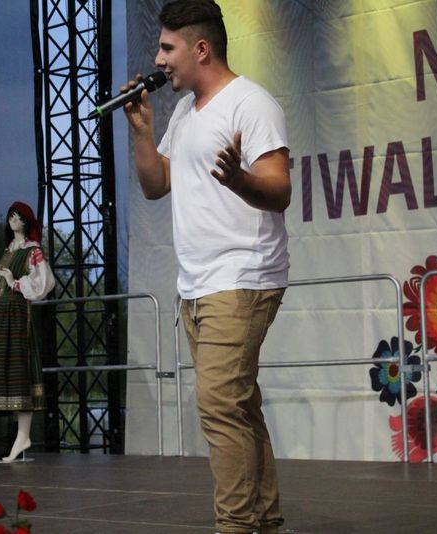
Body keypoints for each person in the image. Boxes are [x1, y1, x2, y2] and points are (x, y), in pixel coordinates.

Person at [122, 1, 291, 532]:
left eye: (167, 48)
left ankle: (235, 526)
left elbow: (280, 189)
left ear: (200, 49)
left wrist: (240, 181)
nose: (158, 60)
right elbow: (156, 185)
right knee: (238, 408)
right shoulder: (184, 113)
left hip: (242, 277)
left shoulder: (251, 103)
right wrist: (142, 132)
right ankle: (265, 522)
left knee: (218, 405)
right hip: (196, 286)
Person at [0, 201, 54, 462]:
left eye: (18, 217)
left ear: (26, 221)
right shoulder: (8, 250)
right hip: (1, 315)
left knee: (20, 370)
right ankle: (20, 436)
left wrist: (16, 283)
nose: (14, 221)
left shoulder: (33, 250)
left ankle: (23, 435)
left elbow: (45, 282)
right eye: (11, 216)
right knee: (8, 372)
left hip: (17, 314)